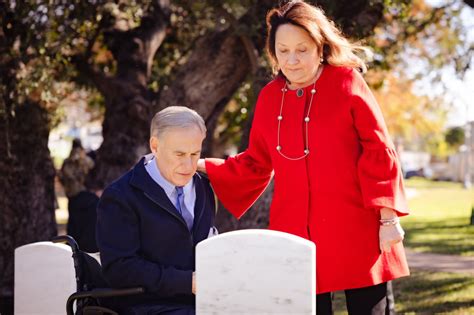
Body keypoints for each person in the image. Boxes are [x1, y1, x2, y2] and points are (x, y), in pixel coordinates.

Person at [197, 1, 409, 314]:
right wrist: (200, 165)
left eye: (302, 49)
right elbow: (256, 162)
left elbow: (379, 150)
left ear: (320, 47)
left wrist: (388, 218)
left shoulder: (348, 82)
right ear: (273, 52)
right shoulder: (269, 97)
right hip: (295, 235)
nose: (292, 60)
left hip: (358, 230)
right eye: (283, 51)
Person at [96, 106, 217, 314]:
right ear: (155, 145)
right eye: (179, 154)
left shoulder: (203, 186)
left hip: (203, 302)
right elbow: (119, 269)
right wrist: (188, 282)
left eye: (195, 153)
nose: (188, 165)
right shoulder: (120, 196)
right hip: (144, 305)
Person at [58, 138, 99, 252]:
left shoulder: (67, 162)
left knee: (74, 225)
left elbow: (61, 177)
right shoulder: (84, 159)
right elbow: (92, 167)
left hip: (72, 195)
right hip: (83, 194)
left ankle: (73, 249)